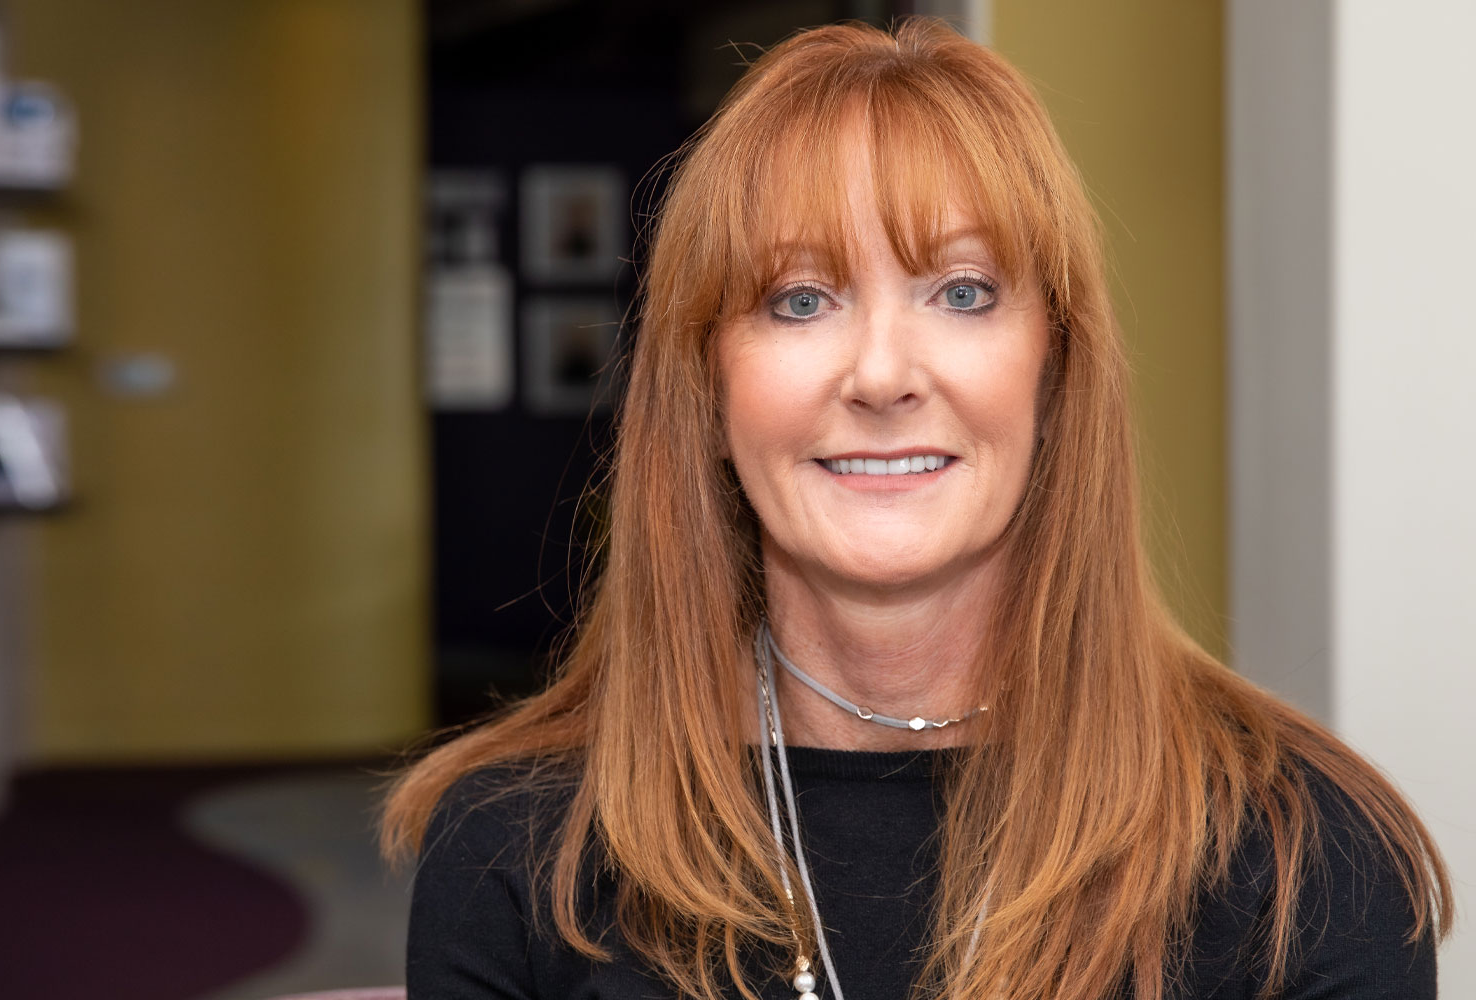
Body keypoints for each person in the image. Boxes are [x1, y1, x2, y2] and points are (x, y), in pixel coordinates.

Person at [380, 18, 1453, 1000]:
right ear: (704, 393)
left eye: (961, 292)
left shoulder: (1303, 853)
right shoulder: (516, 850)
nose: (882, 374)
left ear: (1053, 372)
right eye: (799, 299)